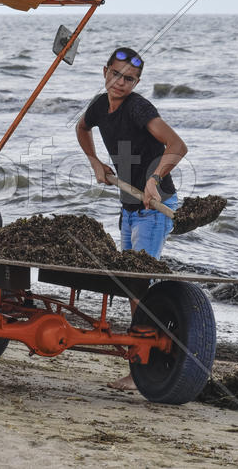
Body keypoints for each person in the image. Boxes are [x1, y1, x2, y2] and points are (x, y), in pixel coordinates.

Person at [75, 47, 188, 391]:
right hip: (128, 209)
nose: (120, 82)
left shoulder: (139, 108)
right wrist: (95, 161)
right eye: (115, 74)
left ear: (137, 82)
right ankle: (141, 364)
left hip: (154, 209)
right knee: (134, 290)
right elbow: (82, 128)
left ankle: (145, 370)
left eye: (129, 78)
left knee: (140, 288)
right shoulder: (99, 105)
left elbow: (177, 146)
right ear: (104, 71)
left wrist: (153, 179)